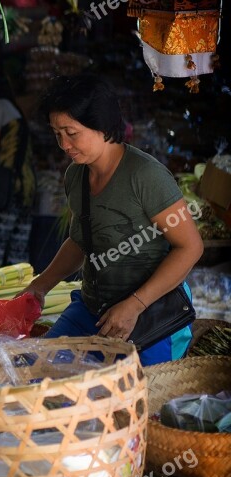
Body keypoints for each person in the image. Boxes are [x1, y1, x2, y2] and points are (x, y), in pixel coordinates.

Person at [22, 74, 203, 366]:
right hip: (93, 310)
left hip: (151, 317)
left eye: (71, 132)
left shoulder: (145, 176)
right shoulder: (76, 175)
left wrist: (134, 305)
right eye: (57, 134)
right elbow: (79, 241)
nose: (64, 144)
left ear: (103, 126)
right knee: (36, 371)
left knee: (135, 403)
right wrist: (39, 286)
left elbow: (190, 248)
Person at [0, 73, 36, 266]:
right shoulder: (16, 110)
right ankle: (18, 295)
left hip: (4, 189)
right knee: (18, 254)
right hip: (26, 188)